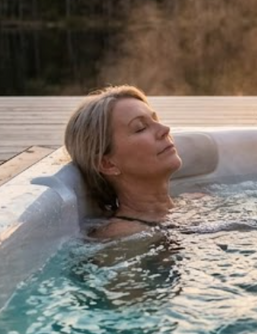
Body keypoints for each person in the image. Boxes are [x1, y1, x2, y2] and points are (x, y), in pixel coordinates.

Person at [64, 85, 183, 239]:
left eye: (156, 119)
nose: (165, 129)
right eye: (140, 128)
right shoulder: (122, 237)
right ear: (108, 164)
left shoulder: (194, 202)